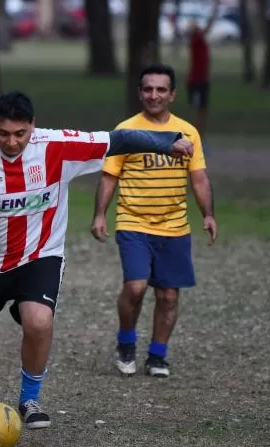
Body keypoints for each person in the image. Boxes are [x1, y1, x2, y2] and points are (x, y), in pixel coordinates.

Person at [0, 90, 195, 444]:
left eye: (20, 133)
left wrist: (168, 141)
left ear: (32, 127)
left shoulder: (55, 145)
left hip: (41, 256)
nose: (12, 142)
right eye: (3, 133)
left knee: (39, 320)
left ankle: (29, 401)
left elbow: (117, 140)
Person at [91, 63, 217, 379]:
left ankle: (158, 356)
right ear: (139, 93)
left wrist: (208, 215)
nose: (154, 95)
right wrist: (99, 215)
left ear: (172, 94)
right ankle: (126, 343)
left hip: (174, 226)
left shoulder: (188, 132)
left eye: (161, 89)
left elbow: (199, 178)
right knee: (135, 287)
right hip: (133, 223)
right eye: (148, 89)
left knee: (168, 295)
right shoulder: (126, 131)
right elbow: (109, 177)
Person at [185, 1, 219, 139]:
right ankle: (193, 139)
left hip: (203, 81)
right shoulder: (196, 39)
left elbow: (206, 29)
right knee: (197, 112)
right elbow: (207, 28)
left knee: (202, 112)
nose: (198, 26)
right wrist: (214, 12)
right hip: (196, 81)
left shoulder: (200, 39)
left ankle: (200, 139)